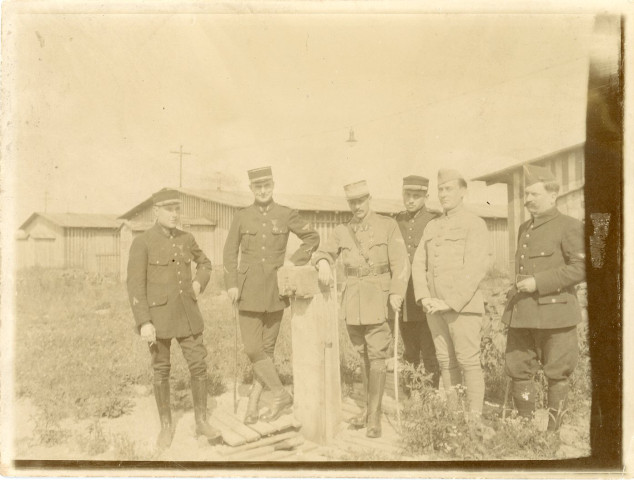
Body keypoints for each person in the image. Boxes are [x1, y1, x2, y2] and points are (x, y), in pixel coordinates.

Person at [223, 166, 319, 425]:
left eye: (267, 185)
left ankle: (253, 404)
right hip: (247, 290)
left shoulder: (286, 214)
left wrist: (294, 261)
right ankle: (279, 393)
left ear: (273, 185)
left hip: (276, 290)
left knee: (266, 350)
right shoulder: (242, 216)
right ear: (251, 189)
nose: (263, 190)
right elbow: (230, 253)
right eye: (258, 186)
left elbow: (312, 236)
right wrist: (231, 284)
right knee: (253, 348)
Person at [314, 180, 409, 438]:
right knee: (364, 355)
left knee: (377, 356)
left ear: (370, 199)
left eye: (361, 200)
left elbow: (401, 262)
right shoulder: (342, 230)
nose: (357, 206)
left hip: (378, 299)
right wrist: (323, 261)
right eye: (352, 202)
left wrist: (397, 292)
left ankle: (374, 419)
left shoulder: (388, 225)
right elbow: (323, 251)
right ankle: (368, 409)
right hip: (353, 303)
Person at [127, 188, 220, 450]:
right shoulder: (143, 242)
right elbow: (135, 285)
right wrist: (144, 321)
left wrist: (199, 284)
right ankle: (166, 427)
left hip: (188, 315)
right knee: (161, 370)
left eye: (178, 209)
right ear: (156, 211)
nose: (175, 214)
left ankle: (201, 421)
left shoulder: (187, 238)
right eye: (169, 209)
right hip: (158, 319)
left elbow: (206, 264)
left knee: (199, 366)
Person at [502, 165, 585, 431]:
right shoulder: (524, 228)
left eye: (533, 194)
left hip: (555, 316)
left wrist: (539, 282)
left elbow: (583, 267)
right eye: (525, 195)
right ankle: (525, 425)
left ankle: (553, 432)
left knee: (557, 373)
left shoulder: (570, 226)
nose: (527, 200)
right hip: (523, 313)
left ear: (552, 195)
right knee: (519, 369)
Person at [412, 169, 490, 419]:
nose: (444, 194)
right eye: (441, 189)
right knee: (445, 361)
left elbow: (476, 267)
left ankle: (473, 419)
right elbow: (418, 263)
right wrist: (424, 297)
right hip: (434, 308)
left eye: (449, 189)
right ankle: (454, 416)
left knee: (468, 362)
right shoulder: (433, 226)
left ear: (463, 191)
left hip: (462, 308)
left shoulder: (474, 224)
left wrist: (450, 302)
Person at [393, 175, 441, 390]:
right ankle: (412, 390)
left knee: (429, 347)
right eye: (407, 195)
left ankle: (430, 394)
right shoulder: (397, 221)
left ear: (426, 196)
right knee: (409, 347)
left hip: (427, 293)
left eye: (416, 196)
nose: (411, 200)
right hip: (404, 293)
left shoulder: (435, 220)